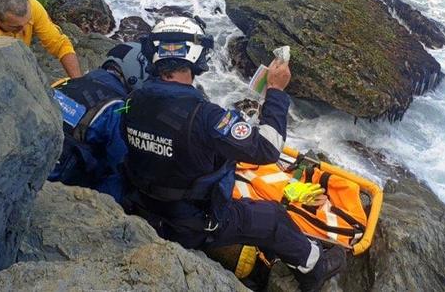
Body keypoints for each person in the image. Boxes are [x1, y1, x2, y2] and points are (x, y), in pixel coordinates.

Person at [120, 16, 346, 291]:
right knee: (273, 219)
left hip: (146, 207)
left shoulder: (132, 100)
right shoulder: (206, 116)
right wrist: (275, 92)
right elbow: (268, 149)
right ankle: (314, 267)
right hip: (190, 224)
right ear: (195, 56)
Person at [50, 42, 150, 201]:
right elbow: (121, 161)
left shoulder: (67, 83)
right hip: (59, 185)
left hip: (41, 164)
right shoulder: (116, 108)